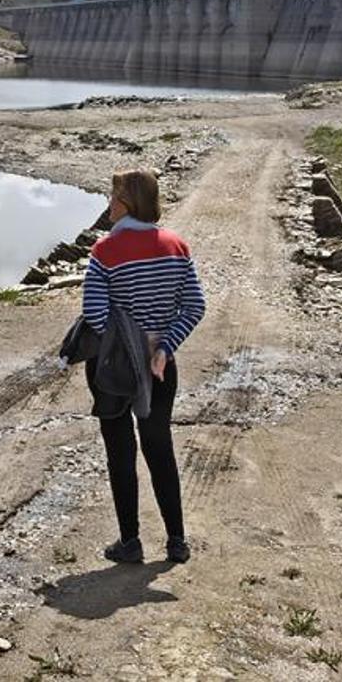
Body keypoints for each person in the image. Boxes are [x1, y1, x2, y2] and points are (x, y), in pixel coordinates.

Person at [82, 168, 206, 564]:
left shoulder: (104, 251)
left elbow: (94, 314)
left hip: (114, 369)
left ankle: (130, 543)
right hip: (159, 367)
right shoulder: (176, 245)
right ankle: (176, 541)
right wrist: (163, 347)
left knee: (120, 451)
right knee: (159, 446)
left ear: (125, 202)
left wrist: (127, 345)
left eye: (112, 195)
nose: (108, 203)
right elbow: (195, 306)